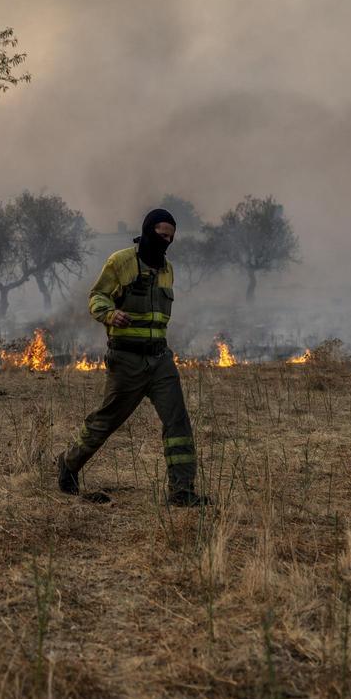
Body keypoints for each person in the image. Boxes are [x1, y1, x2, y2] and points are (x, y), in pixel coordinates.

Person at [55, 208, 211, 507]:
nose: (165, 241)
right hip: (127, 360)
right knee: (107, 420)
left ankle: (182, 491)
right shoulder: (121, 261)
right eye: (161, 235)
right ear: (148, 230)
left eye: (170, 237)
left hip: (160, 359)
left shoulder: (167, 269)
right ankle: (69, 463)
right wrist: (111, 314)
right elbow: (97, 296)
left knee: (177, 422)